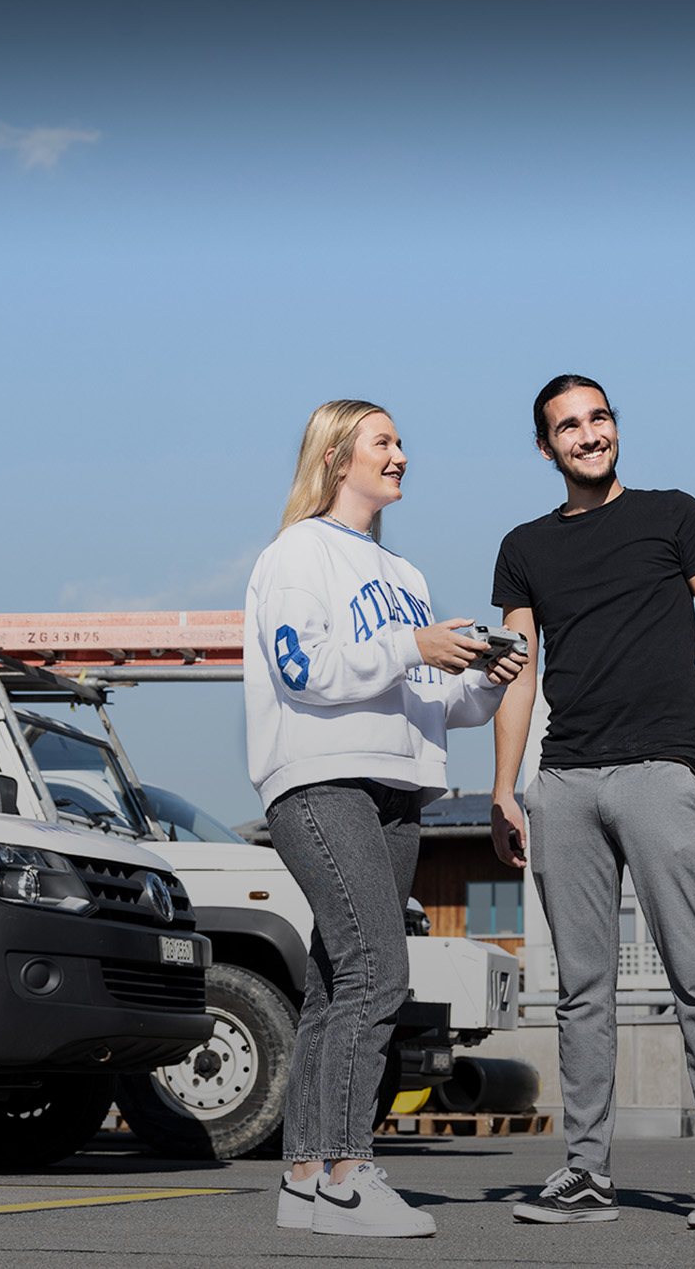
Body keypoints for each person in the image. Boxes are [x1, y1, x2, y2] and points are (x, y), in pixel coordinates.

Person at [244, 399, 525, 1239]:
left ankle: (304, 1178)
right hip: (322, 782)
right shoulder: (296, 553)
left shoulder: (404, 576)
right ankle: (344, 1171)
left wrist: (487, 678)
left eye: (401, 442)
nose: (401, 454)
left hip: (400, 790)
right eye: (383, 441)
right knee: (378, 968)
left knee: (338, 983)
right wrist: (413, 647)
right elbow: (304, 669)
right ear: (337, 458)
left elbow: (431, 701)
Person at [489, 375, 695, 1231]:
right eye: (569, 426)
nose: (588, 434)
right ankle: (586, 1172)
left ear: (614, 429)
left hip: (659, 774)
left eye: (598, 418)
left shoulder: (675, 515)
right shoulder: (524, 546)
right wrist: (504, 787)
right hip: (565, 783)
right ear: (547, 448)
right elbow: (517, 673)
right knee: (582, 991)